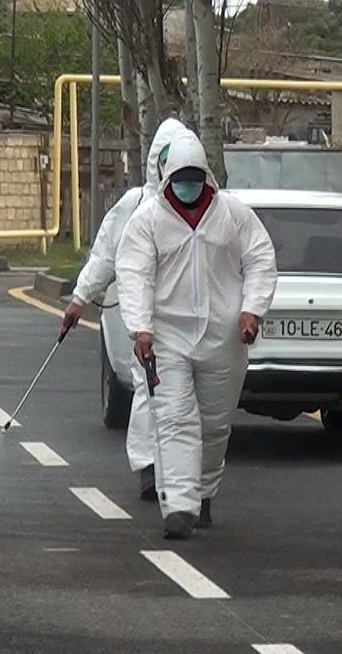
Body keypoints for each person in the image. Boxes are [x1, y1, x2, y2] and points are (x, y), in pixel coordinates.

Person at [115, 132, 277, 539]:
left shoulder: (233, 215)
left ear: (207, 176)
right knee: (173, 420)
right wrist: (140, 328)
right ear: (167, 178)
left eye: (195, 177)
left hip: (224, 339)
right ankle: (179, 507)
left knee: (214, 424)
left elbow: (260, 260)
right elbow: (133, 275)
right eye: (180, 178)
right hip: (166, 339)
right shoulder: (148, 220)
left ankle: (203, 493)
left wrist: (251, 310)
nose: (188, 185)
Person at [62, 117, 190, 501]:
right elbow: (105, 255)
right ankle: (150, 468)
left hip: (191, 320)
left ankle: (187, 477)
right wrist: (79, 299)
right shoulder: (136, 206)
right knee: (150, 389)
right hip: (145, 318)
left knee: (188, 400)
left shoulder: (207, 207)